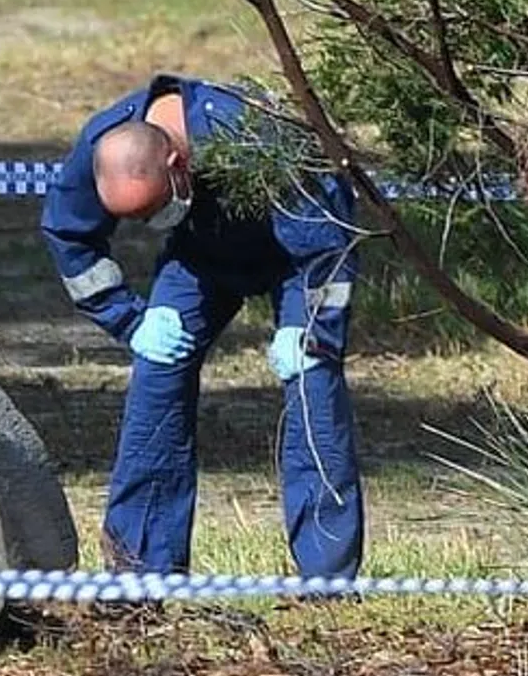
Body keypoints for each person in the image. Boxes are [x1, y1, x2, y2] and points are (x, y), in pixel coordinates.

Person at [40, 72, 364, 583]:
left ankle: (326, 580)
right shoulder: (103, 140)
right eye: (139, 219)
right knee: (156, 376)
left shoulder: (253, 132)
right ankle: (140, 573)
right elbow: (68, 235)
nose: (152, 224)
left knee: (312, 387)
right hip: (201, 261)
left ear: (178, 163)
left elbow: (329, 238)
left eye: (156, 208)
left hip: (301, 259)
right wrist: (130, 320)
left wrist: (316, 330)